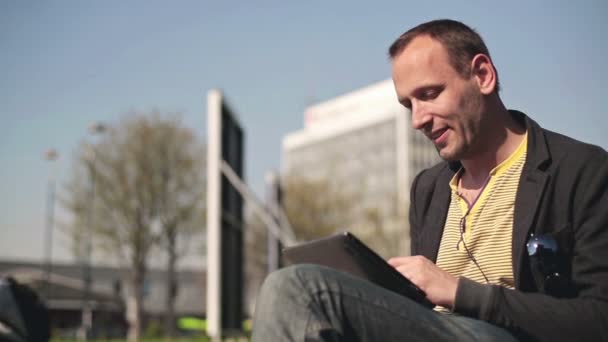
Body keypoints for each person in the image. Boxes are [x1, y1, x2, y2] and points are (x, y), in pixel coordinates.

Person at [251, 19, 608, 342]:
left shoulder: (580, 169)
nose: (417, 120)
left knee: (298, 288)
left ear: (483, 75)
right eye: (409, 105)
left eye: (429, 94)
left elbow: (599, 317)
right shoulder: (429, 189)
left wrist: (458, 292)